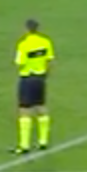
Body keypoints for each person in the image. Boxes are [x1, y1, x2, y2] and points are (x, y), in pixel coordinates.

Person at [14, 19, 55, 154]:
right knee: (41, 107)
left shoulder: (23, 44)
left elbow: (20, 63)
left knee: (24, 110)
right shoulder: (45, 41)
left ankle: (24, 145)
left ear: (26, 29)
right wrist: (45, 74)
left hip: (27, 78)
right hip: (40, 78)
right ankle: (43, 141)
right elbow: (49, 60)